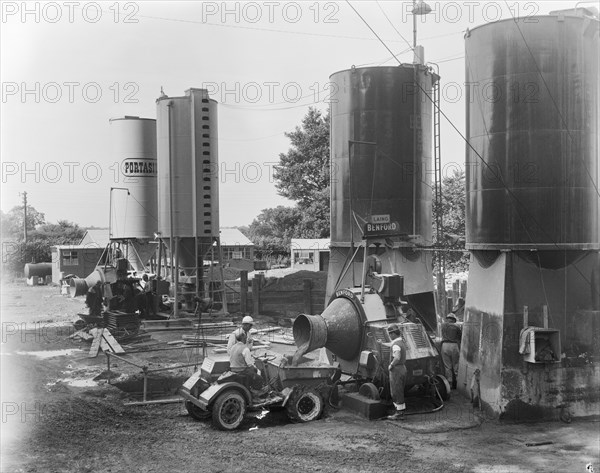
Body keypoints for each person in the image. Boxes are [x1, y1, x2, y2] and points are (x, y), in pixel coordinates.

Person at [229, 331, 268, 396]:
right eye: (245, 338)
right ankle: (256, 392)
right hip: (241, 370)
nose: (246, 339)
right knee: (259, 377)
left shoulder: (233, 347)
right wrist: (256, 369)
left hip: (233, 368)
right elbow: (250, 364)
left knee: (253, 371)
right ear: (243, 339)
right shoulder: (245, 349)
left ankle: (252, 388)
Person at [387, 324, 407, 420]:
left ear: (394, 334)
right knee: (400, 390)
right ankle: (401, 412)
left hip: (396, 370)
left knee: (396, 391)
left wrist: (391, 365)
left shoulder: (395, 345)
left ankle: (399, 414)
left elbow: (397, 357)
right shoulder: (401, 342)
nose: (389, 335)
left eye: (390, 333)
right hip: (402, 368)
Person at [441, 313, 462, 389]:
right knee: (456, 366)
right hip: (454, 346)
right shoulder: (457, 326)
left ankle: (449, 384)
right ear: (454, 320)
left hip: (445, 345)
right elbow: (460, 337)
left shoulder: (443, 325)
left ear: (448, 318)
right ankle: (458, 384)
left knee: (447, 366)